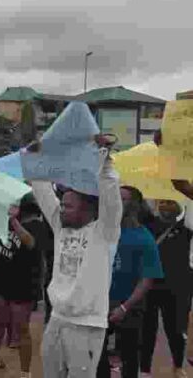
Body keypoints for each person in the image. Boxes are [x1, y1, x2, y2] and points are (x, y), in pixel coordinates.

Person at [26, 138, 122, 378]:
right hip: (57, 320)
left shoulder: (104, 232)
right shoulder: (61, 227)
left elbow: (110, 194)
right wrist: (34, 157)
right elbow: (43, 191)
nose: (62, 209)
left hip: (87, 325)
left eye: (68, 206)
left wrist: (104, 160)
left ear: (88, 209)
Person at [97, 186, 163, 378]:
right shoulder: (103, 232)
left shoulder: (144, 238)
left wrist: (125, 308)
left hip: (130, 307)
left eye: (123, 199)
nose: (116, 202)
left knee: (129, 357)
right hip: (100, 303)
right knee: (96, 354)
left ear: (134, 205)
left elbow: (147, 278)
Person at [0, 194, 46, 378]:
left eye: (16, 205)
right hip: (1, 281)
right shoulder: (4, 222)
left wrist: (13, 222)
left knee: (22, 329)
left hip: (24, 286)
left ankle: (25, 371)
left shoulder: (38, 226)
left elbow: (31, 243)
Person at [140, 179, 193, 378]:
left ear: (178, 206)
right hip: (150, 285)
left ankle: (178, 366)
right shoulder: (149, 225)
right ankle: (144, 369)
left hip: (178, 286)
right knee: (147, 329)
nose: (164, 206)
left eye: (169, 202)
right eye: (161, 202)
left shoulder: (186, 229)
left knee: (177, 329)